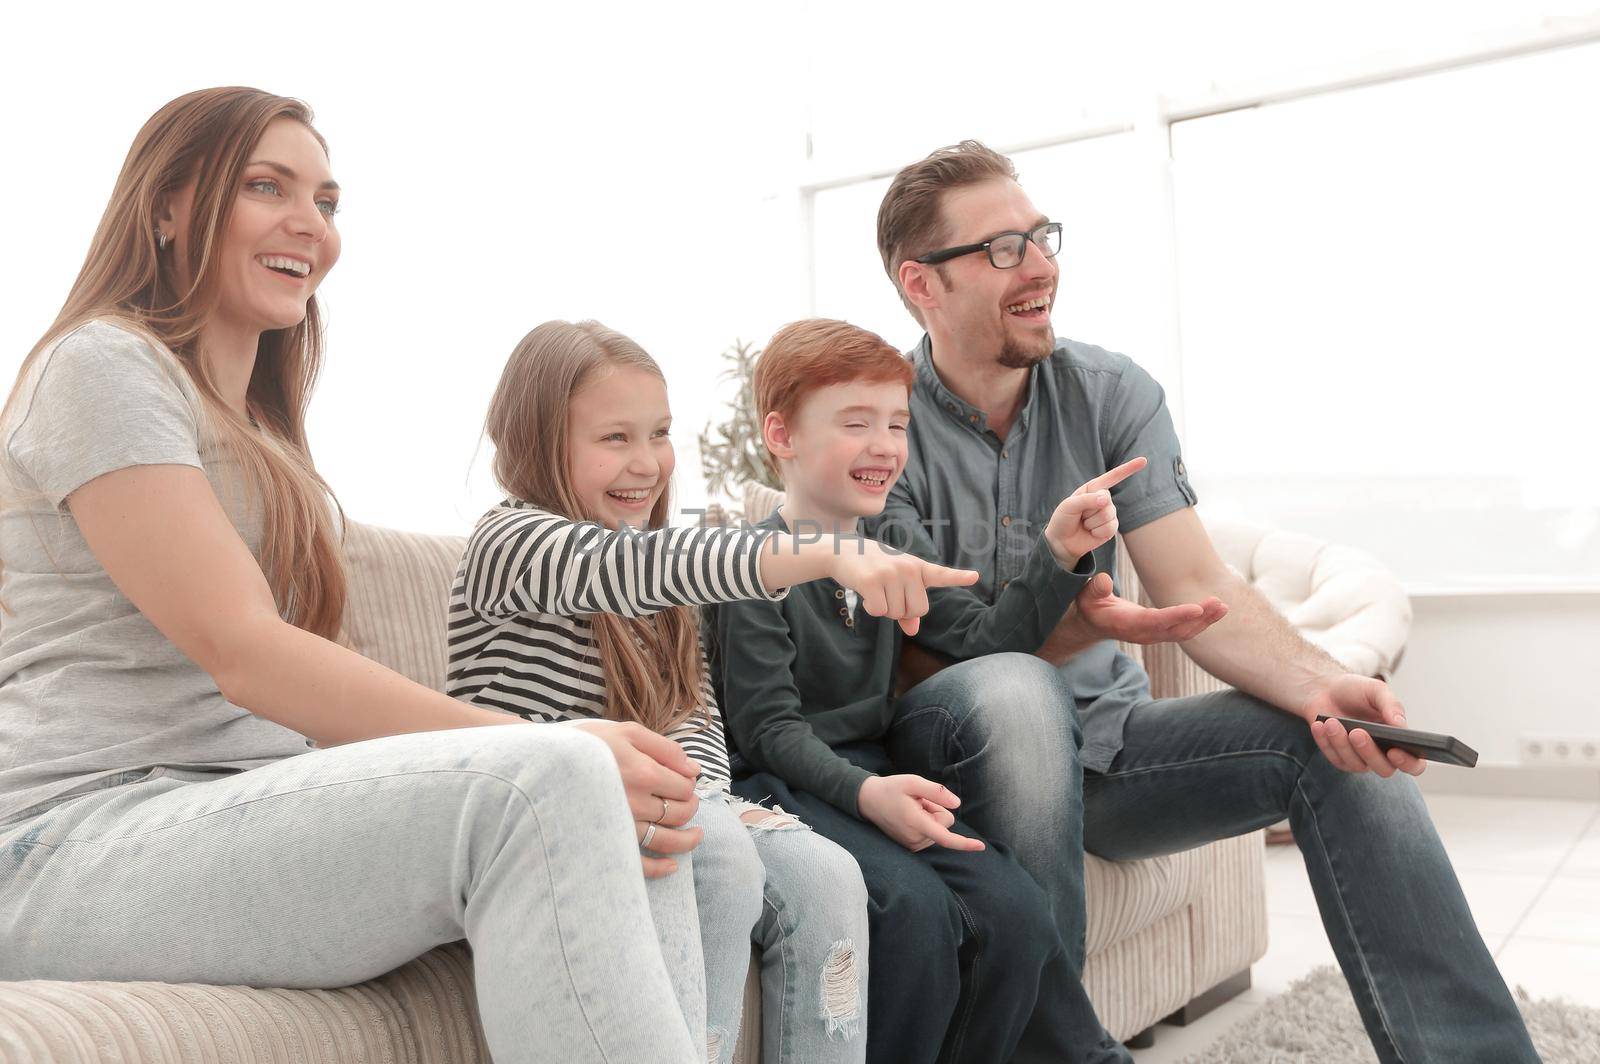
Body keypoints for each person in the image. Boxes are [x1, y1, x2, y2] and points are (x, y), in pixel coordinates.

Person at [0, 87, 710, 1064]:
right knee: (557, 775)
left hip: (237, 805)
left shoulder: (265, 436)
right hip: (72, 841)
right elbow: (244, 649)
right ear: (166, 205)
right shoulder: (102, 365)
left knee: (640, 808)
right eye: (266, 186)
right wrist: (536, 740)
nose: (310, 224)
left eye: (327, 201)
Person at [867, 139, 1540, 1062]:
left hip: (1105, 745)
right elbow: (915, 658)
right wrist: (1056, 633)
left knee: (1336, 749)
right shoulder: (877, 424)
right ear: (921, 285)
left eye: (1043, 237)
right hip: (953, 755)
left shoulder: (1111, 392)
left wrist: (1321, 684)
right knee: (1015, 693)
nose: (1043, 267)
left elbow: (1200, 584)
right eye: (1002, 249)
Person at [449, 319, 972, 1062]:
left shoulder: (659, 576)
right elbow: (633, 567)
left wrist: (703, 789)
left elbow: (691, 713)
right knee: (716, 847)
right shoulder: (512, 543)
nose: (646, 463)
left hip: (667, 795)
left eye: (658, 435)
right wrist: (826, 552)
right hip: (541, 810)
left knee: (827, 874)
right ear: (538, 440)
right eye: (614, 439)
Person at [711, 318, 1142, 1064]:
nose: (885, 446)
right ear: (782, 436)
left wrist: (1058, 551)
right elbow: (768, 733)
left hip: (874, 773)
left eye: (897, 425)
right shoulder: (752, 569)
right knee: (913, 912)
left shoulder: (895, 550)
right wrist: (867, 795)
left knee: (1014, 909)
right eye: (856, 423)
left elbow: (987, 645)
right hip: (784, 783)